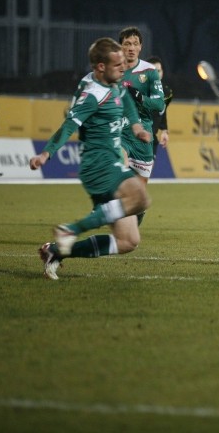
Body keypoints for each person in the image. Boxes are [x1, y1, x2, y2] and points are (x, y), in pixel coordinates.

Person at [29, 37, 152, 280]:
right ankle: (72, 229)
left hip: (112, 163)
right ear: (100, 67)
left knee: (128, 241)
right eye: (117, 64)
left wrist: (137, 128)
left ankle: (56, 251)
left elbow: (127, 103)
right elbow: (67, 126)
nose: (123, 66)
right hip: (98, 166)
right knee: (140, 197)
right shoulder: (92, 94)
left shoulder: (115, 84)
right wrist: (46, 153)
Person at [118, 27, 165, 188]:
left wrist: (139, 97)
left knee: (139, 198)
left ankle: (131, 212)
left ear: (140, 47)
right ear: (121, 47)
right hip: (120, 132)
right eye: (127, 44)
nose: (131, 48)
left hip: (143, 134)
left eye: (135, 44)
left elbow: (159, 105)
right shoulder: (113, 71)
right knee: (119, 176)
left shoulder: (150, 71)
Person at [146, 56, 173, 157]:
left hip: (151, 141)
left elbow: (162, 112)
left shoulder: (167, 93)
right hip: (134, 140)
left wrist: (164, 130)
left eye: (158, 71)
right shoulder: (138, 91)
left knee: (146, 172)